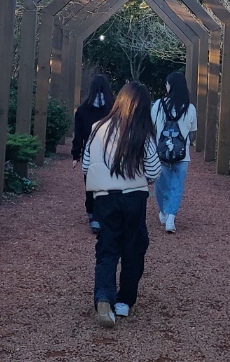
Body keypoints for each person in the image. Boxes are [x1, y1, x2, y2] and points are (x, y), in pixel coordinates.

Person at [81, 80, 161, 327]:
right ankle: (125, 300)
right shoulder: (141, 132)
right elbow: (154, 171)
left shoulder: (97, 127)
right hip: (134, 197)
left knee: (107, 247)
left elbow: (86, 165)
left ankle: (104, 296)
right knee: (134, 246)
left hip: (104, 197)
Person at [151, 71, 197, 234]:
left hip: (161, 152)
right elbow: (192, 131)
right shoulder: (190, 108)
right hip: (182, 154)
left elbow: (152, 127)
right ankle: (171, 218)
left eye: (167, 84)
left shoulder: (158, 105)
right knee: (177, 185)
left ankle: (163, 212)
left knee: (160, 183)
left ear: (170, 86)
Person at [70, 73, 114, 232]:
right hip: (111, 151)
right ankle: (102, 214)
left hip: (91, 152)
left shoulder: (83, 110)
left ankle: (92, 214)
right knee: (108, 183)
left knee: (91, 183)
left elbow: (79, 134)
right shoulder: (114, 108)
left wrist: (76, 154)